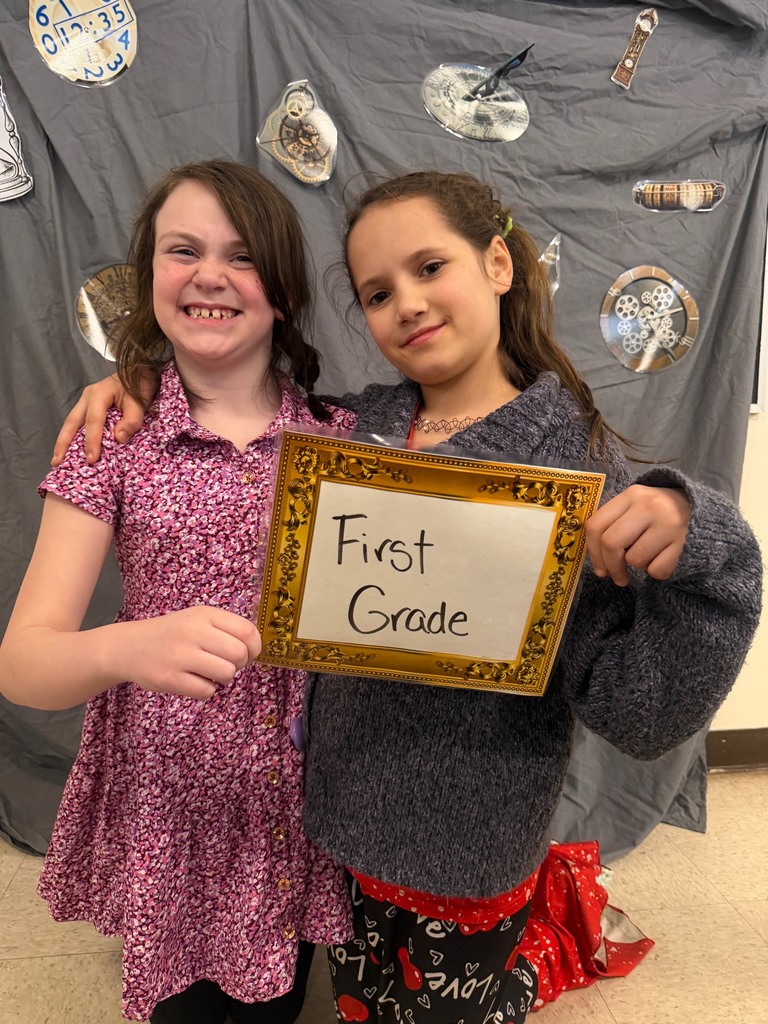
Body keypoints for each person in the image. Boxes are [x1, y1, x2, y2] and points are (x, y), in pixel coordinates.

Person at [50, 170, 762, 1024]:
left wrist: (706, 543)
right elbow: (238, 398)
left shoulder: (568, 472)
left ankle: (550, 938)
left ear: (498, 263)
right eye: (378, 292)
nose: (409, 304)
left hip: (465, 850)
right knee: (356, 1005)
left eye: (431, 268)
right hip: (336, 835)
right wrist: (136, 379)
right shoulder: (357, 430)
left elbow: (640, 711)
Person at [0, 160, 359, 1023]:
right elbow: (24, 662)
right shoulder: (112, 439)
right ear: (149, 274)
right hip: (167, 795)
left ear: (281, 288)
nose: (208, 275)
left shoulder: (343, 442)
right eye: (183, 250)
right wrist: (127, 645)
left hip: (292, 796)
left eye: (240, 257)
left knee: (277, 1001)